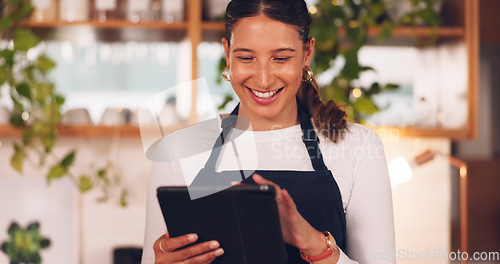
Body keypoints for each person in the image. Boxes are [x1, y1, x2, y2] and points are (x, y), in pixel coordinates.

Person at [142, 0, 395, 263]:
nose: (263, 79)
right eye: (246, 58)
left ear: (307, 53)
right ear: (227, 53)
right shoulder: (176, 151)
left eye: (281, 58)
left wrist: (314, 244)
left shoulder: (356, 146)